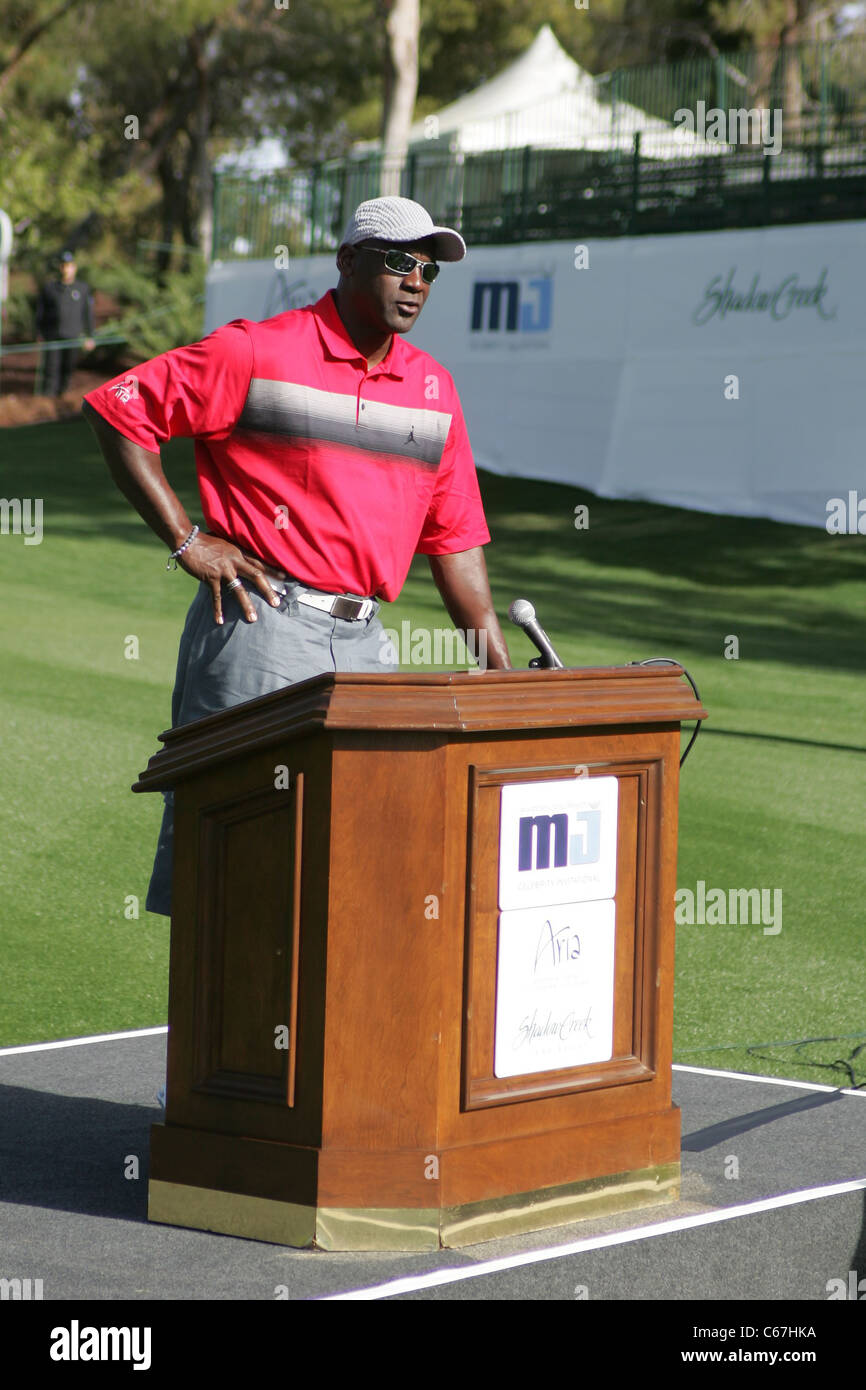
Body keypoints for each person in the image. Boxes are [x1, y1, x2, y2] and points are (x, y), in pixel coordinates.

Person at [82, 195, 512, 921]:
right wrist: (187, 540)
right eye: (399, 261)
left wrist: (499, 673)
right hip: (261, 630)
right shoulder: (257, 350)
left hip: (367, 649)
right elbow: (120, 410)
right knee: (233, 868)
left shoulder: (435, 388)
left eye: (429, 270)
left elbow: (455, 540)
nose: (416, 282)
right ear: (348, 261)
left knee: (356, 874)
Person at [35, 251, 95, 396]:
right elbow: (40, 313)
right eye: (63, 266)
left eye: (69, 266)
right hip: (53, 335)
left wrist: (89, 336)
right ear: (60, 268)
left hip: (72, 335)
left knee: (68, 367)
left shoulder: (82, 289)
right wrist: (39, 333)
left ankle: (63, 394)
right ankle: (48, 396)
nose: (66, 269)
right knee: (51, 367)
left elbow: (87, 313)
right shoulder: (50, 288)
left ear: (74, 268)